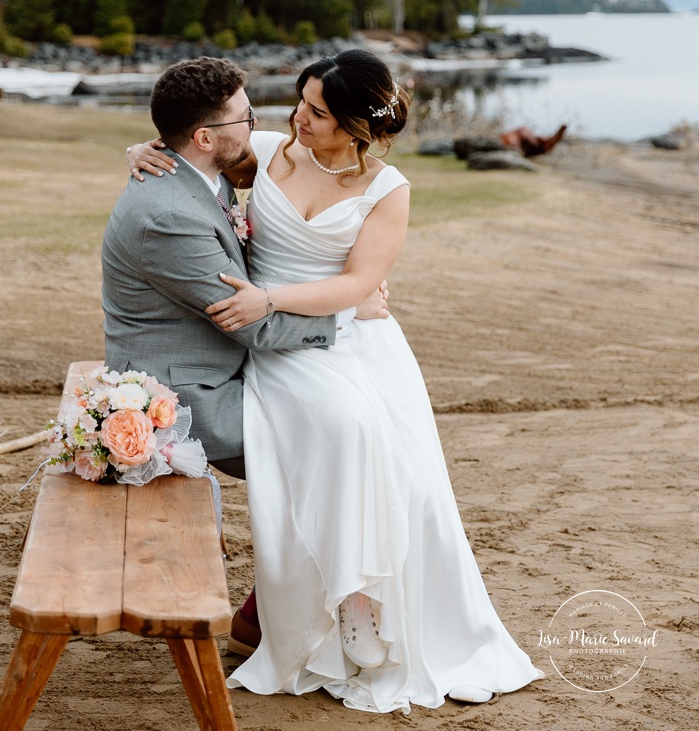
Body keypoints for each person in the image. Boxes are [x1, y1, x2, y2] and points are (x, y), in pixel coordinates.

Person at [127, 48, 543, 713]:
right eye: (299, 101)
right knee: (345, 431)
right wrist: (139, 151)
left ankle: (373, 602)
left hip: (356, 336)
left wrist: (277, 297)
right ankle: (346, 598)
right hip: (283, 343)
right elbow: (192, 146)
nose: (297, 118)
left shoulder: (388, 189)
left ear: (357, 126)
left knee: (402, 466)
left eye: (316, 112)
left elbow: (356, 283)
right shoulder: (265, 150)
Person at [102, 55, 385, 481]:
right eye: (245, 117)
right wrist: (350, 312)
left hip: (231, 358)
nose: (255, 125)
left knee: (365, 406)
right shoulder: (169, 218)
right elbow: (256, 326)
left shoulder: (203, 172)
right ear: (204, 138)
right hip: (190, 396)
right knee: (345, 433)